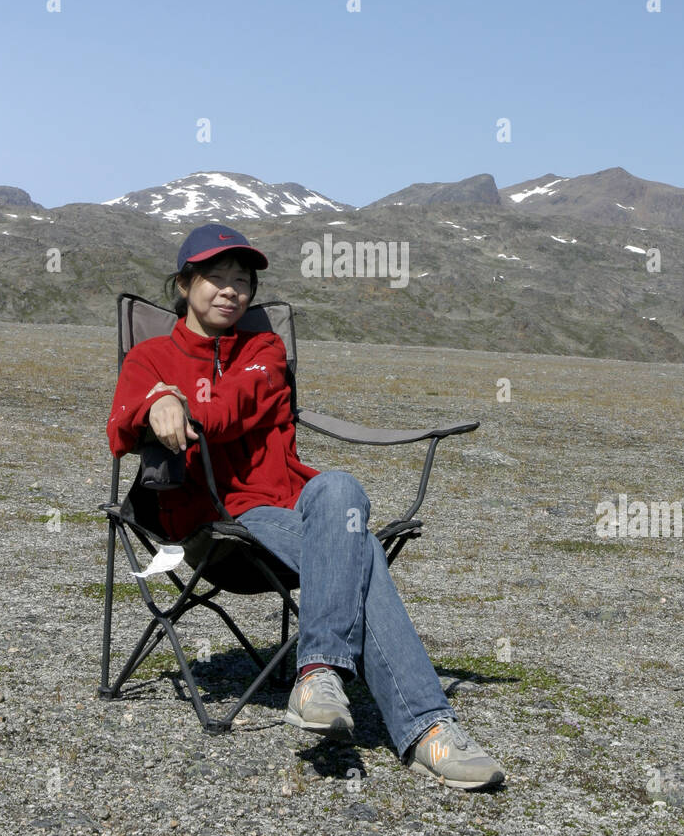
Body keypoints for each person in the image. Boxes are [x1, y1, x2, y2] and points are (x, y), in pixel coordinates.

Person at [106, 223, 505, 791]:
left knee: (339, 487)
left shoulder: (263, 349)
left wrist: (177, 400)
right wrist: (154, 402)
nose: (230, 291)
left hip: (287, 506)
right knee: (360, 548)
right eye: (215, 278)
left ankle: (318, 674)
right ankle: (429, 730)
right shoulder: (150, 357)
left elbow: (230, 407)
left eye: (241, 281)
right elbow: (118, 430)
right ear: (184, 284)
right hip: (218, 525)